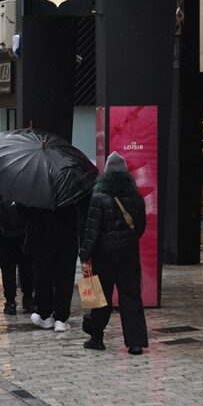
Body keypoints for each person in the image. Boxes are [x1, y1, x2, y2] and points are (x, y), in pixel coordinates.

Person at [80, 152, 148, 355]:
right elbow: (141, 227)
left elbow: (92, 230)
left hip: (104, 255)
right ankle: (135, 343)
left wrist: (85, 254)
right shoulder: (136, 197)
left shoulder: (99, 197)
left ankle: (97, 338)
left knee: (101, 297)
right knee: (131, 295)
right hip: (129, 253)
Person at [28, 200, 83, 333]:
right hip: (67, 237)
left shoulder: (36, 185)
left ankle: (45, 314)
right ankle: (61, 319)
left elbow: (23, 211)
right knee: (64, 278)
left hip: (42, 236)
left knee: (43, 276)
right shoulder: (71, 187)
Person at [0, 189, 33, 315]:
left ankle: (10, 302)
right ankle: (28, 299)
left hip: (2, 234)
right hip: (24, 232)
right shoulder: (25, 178)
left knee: (7, 267)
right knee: (26, 265)